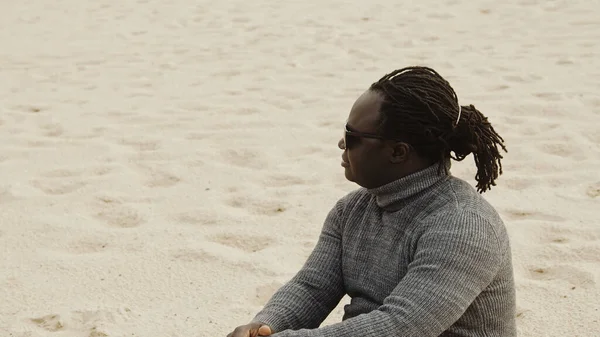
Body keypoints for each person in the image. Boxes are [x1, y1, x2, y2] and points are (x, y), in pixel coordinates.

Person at [226, 66, 516, 337]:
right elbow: (312, 287)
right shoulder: (351, 210)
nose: (341, 144)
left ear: (398, 152)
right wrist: (265, 325)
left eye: (352, 136)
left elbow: (401, 326)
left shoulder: (463, 224)